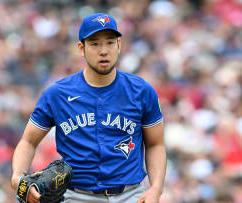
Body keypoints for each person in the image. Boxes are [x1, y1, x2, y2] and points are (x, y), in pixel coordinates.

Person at [11, 13, 166, 203]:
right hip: (76, 196)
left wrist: (156, 188)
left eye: (110, 42)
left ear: (119, 45)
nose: (103, 51)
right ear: (81, 48)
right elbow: (28, 141)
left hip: (131, 195)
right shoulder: (57, 94)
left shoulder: (142, 91)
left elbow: (155, 144)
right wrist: (17, 176)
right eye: (94, 44)